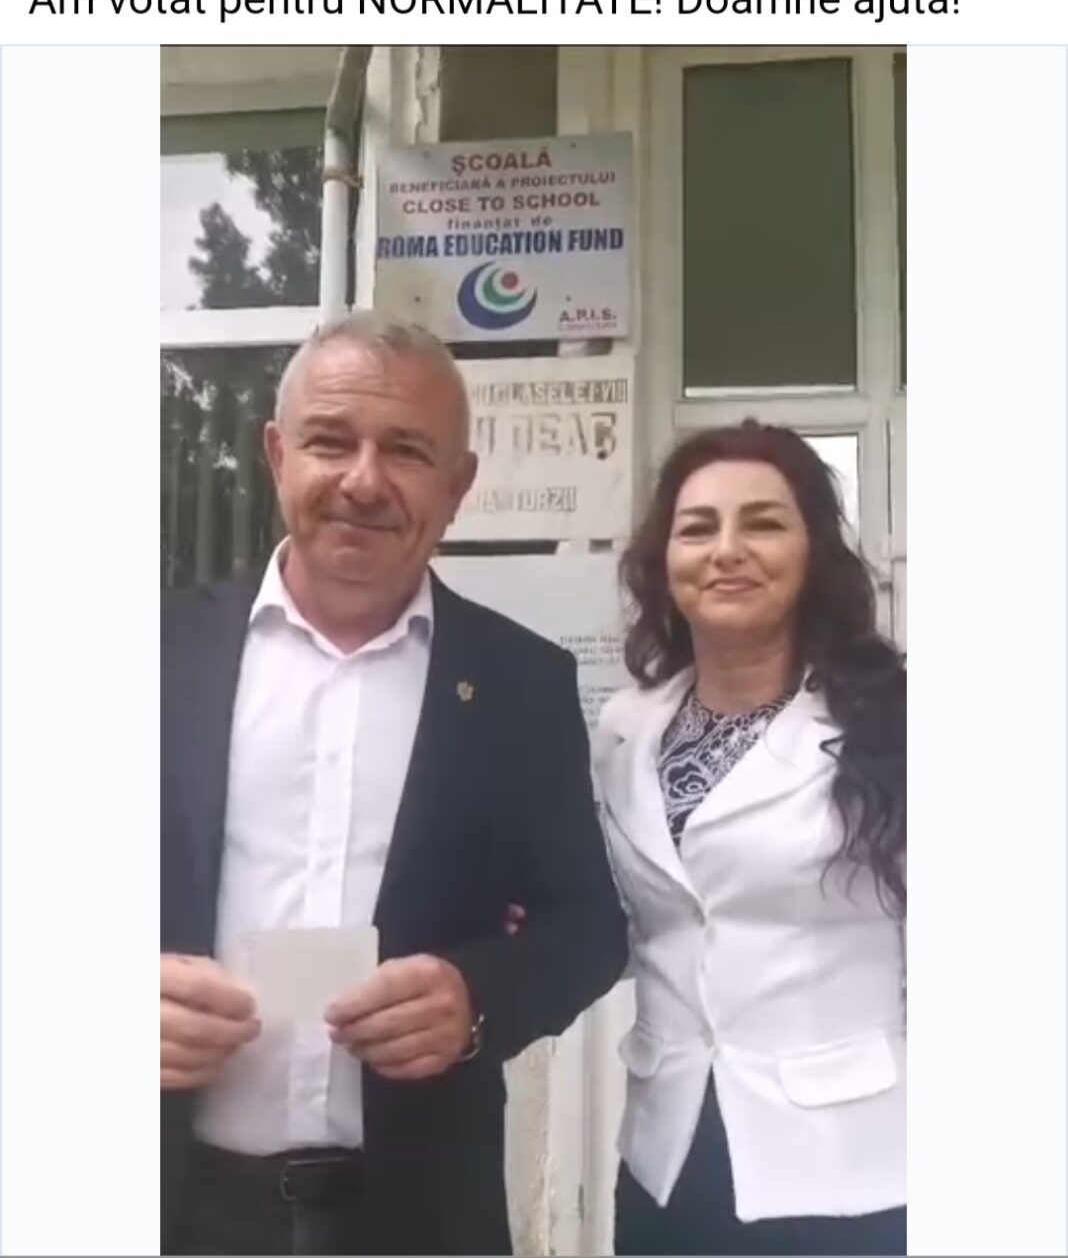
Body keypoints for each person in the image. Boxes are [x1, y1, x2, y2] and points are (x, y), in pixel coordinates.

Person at [161, 311, 628, 1256]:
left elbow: (588, 928)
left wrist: (476, 999)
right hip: (168, 1203)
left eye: (407, 451)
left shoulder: (520, 682)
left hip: (421, 1215)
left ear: (458, 487)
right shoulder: (151, 656)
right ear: (277, 453)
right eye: (331, 441)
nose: (364, 481)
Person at [594, 422, 906, 1256]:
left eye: (763, 523)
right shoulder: (625, 728)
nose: (727, 550)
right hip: (667, 1155)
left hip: (851, 1165)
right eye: (698, 528)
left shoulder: (893, 719)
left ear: (813, 553)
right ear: (665, 559)